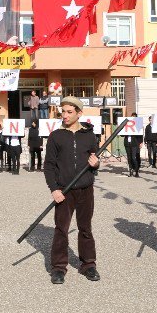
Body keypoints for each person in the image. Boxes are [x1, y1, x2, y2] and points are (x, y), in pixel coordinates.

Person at [44, 96, 100, 284]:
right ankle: (59, 267)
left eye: (69, 112)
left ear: (79, 113)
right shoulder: (56, 136)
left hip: (85, 189)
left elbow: (94, 160)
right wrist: (54, 189)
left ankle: (88, 264)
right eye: (63, 111)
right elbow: (49, 166)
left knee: (85, 228)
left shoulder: (89, 135)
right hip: (64, 191)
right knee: (61, 229)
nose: (65, 115)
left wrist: (95, 164)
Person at [123, 113, 143, 177]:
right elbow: (122, 135)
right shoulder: (127, 125)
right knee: (129, 158)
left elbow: (140, 135)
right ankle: (130, 171)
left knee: (133, 158)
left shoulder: (137, 125)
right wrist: (120, 128)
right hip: (127, 143)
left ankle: (136, 171)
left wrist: (140, 142)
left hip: (134, 143)